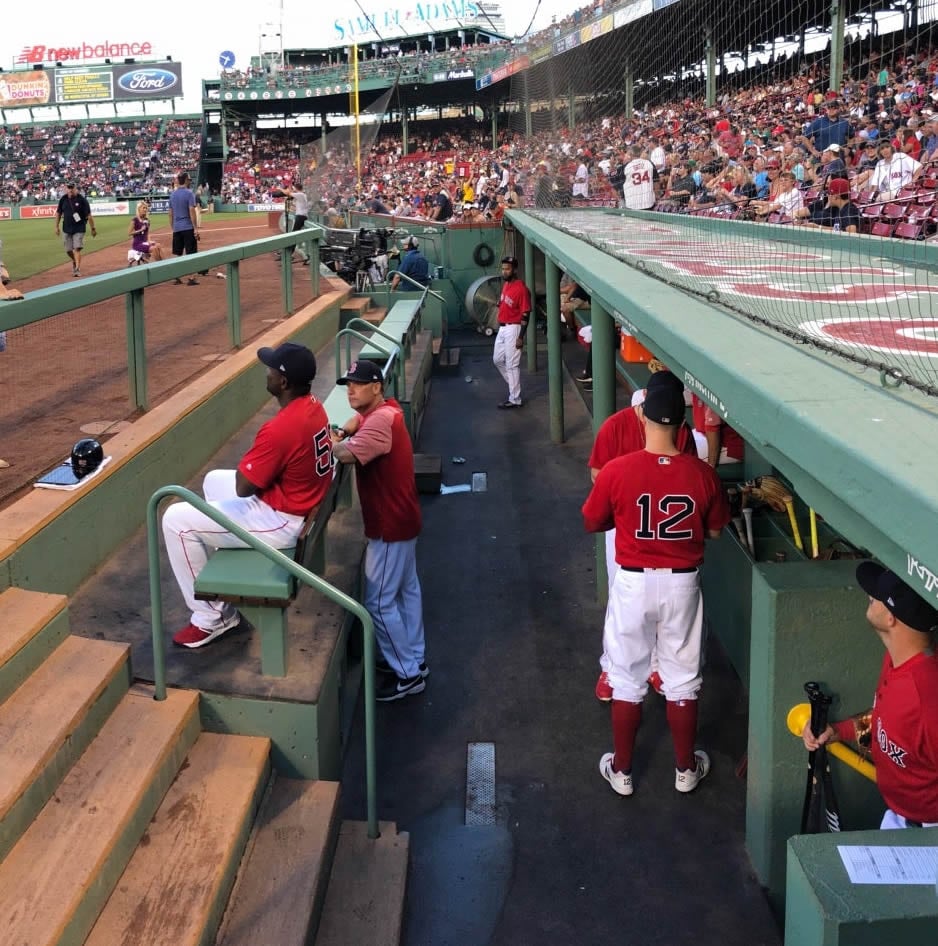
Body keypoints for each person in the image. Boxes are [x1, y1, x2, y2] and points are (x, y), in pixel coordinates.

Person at [583, 384, 730, 796]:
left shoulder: (618, 469)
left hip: (633, 582)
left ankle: (623, 771)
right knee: (682, 678)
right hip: (683, 583)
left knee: (627, 676)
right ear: (682, 424)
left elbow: (592, 522)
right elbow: (716, 531)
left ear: (642, 418)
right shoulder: (702, 473)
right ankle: (685, 770)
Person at [162, 343, 333, 649]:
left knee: (175, 520)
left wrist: (256, 459)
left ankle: (213, 617)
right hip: (299, 504)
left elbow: (244, 486)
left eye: (270, 370)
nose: (265, 373)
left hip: (284, 521)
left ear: (283, 382)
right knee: (214, 481)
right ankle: (221, 577)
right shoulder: (313, 405)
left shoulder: (281, 427)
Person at [588, 370, 700, 701]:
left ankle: (655, 666)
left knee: (663, 607)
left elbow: (690, 475)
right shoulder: (616, 426)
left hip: (667, 534)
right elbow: (596, 472)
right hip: (624, 528)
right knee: (621, 600)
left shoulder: (682, 432)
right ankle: (611, 666)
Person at [802, 562, 938, 829]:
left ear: (892, 618)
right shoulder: (899, 658)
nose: (870, 596)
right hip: (900, 818)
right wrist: (839, 731)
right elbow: (891, 724)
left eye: (876, 596)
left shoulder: (928, 696)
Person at [330, 359, 427, 702]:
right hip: (404, 518)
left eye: (357, 383)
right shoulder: (387, 410)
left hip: (389, 525)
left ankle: (408, 674)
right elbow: (361, 420)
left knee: (379, 602)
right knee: (407, 591)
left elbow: (343, 455)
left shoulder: (380, 423)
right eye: (347, 384)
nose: (350, 389)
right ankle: (415, 657)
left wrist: (332, 439)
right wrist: (348, 425)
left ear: (377, 386)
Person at [492, 255, 531, 409]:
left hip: (514, 329)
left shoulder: (521, 289)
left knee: (512, 365)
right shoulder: (506, 285)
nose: (504, 271)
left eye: (507, 269)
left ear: (514, 270)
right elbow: (504, 302)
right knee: (497, 359)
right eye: (503, 269)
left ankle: (515, 398)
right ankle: (514, 385)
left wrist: (521, 336)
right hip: (502, 328)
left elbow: (526, 313)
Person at [55, 182, 96, 277]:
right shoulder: (63, 199)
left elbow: (89, 216)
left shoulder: (82, 200)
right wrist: (56, 227)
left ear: (75, 188)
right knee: (68, 250)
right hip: (66, 228)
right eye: (68, 187)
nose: (70, 189)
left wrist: (93, 228)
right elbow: (58, 213)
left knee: (76, 249)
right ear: (66, 188)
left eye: (72, 188)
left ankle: (77, 269)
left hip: (79, 227)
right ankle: (74, 260)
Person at [691, 394, 745, 466]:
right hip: (703, 434)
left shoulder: (714, 388)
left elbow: (713, 427)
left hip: (729, 444)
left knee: (683, 457)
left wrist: (711, 466)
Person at [169, 171, 201, 285]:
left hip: (177, 228)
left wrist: (173, 227)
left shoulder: (172, 194)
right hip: (187, 227)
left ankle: (176, 277)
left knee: (177, 253)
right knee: (191, 253)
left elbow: (170, 213)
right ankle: (191, 278)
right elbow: (192, 211)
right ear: (186, 180)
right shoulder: (189, 193)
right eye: (189, 180)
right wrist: (196, 228)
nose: (190, 182)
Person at [794, 178, 860, 233]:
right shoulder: (842, 209)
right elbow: (839, 230)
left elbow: (851, 233)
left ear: (835, 196)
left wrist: (818, 227)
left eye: (829, 193)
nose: (827, 196)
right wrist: (818, 227)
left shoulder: (849, 211)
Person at [280, 182, 310, 264]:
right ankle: (290, 253)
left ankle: (289, 254)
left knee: (294, 235)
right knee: (294, 234)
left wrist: (280, 189)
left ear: (296, 188)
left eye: (294, 188)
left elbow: (287, 193)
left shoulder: (300, 195)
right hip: (301, 216)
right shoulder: (302, 195)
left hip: (301, 217)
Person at [620, 145, 657, 210]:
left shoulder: (626, 167)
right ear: (641, 152)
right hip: (648, 202)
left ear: (631, 154)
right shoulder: (649, 163)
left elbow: (620, 186)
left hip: (632, 204)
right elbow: (656, 183)